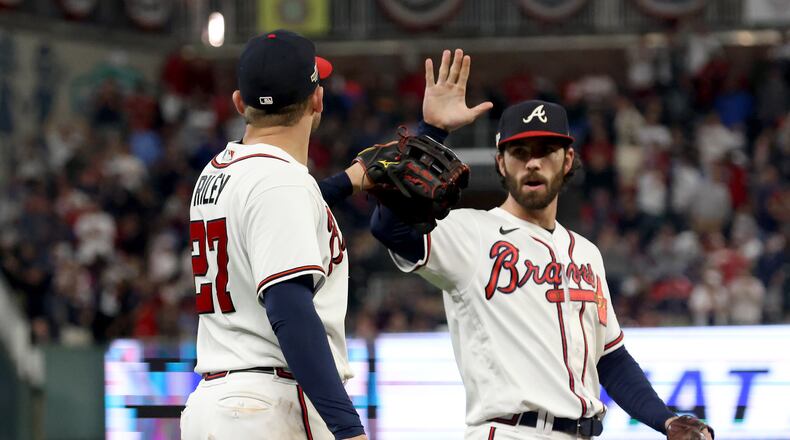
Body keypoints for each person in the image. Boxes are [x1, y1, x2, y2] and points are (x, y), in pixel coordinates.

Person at [180, 29, 491, 440]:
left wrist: (356, 175)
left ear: (241, 103)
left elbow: (284, 208)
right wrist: (348, 429)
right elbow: (289, 309)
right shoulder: (281, 183)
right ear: (317, 100)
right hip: (269, 405)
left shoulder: (217, 171)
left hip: (213, 406)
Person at [370, 99, 714, 439]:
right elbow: (390, 228)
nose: (532, 163)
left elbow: (610, 358)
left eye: (545, 151)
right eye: (519, 153)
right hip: (508, 431)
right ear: (500, 164)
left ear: (566, 161)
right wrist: (433, 133)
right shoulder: (471, 233)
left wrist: (666, 421)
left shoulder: (586, 253)